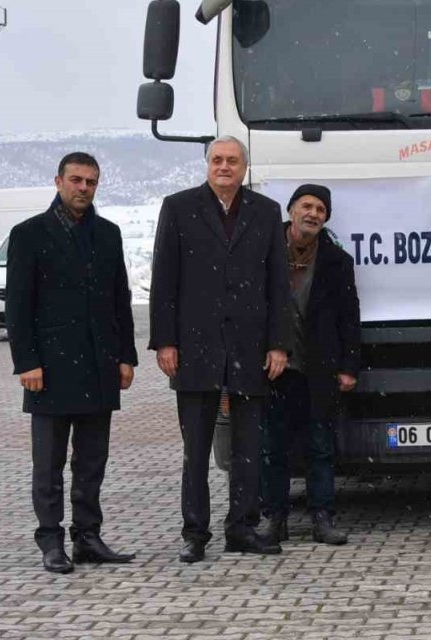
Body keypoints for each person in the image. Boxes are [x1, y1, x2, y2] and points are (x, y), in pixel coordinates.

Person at [149, 135, 293, 563]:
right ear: (207, 165)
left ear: (244, 168)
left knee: (249, 448)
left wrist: (279, 344)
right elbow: (164, 280)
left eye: (232, 160)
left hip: (251, 350)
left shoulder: (265, 213)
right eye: (217, 160)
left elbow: (278, 286)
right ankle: (195, 533)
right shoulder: (178, 208)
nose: (224, 166)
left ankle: (242, 528)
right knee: (196, 450)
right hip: (194, 349)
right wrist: (165, 341)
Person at [5, 152, 138, 574]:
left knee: (91, 462)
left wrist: (126, 357)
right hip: (48, 370)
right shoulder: (28, 235)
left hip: (99, 367)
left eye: (91, 182)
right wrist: (26, 362)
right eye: (76, 180)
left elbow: (121, 299)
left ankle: (87, 537)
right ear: (58, 181)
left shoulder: (108, 234)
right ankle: (50, 540)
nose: (84, 188)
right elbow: (18, 307)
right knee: (49, 464)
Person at [258, 184, 361, 546]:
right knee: (273, 449)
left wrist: (349, 366)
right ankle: (275, 520)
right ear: (290, 210)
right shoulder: (264, 254)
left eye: (320, 209)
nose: (313, 213)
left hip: (320, 369)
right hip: (274, 369)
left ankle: (323, 518)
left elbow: (350, 318)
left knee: (320, 448)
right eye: (306, 206)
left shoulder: (337, 262)